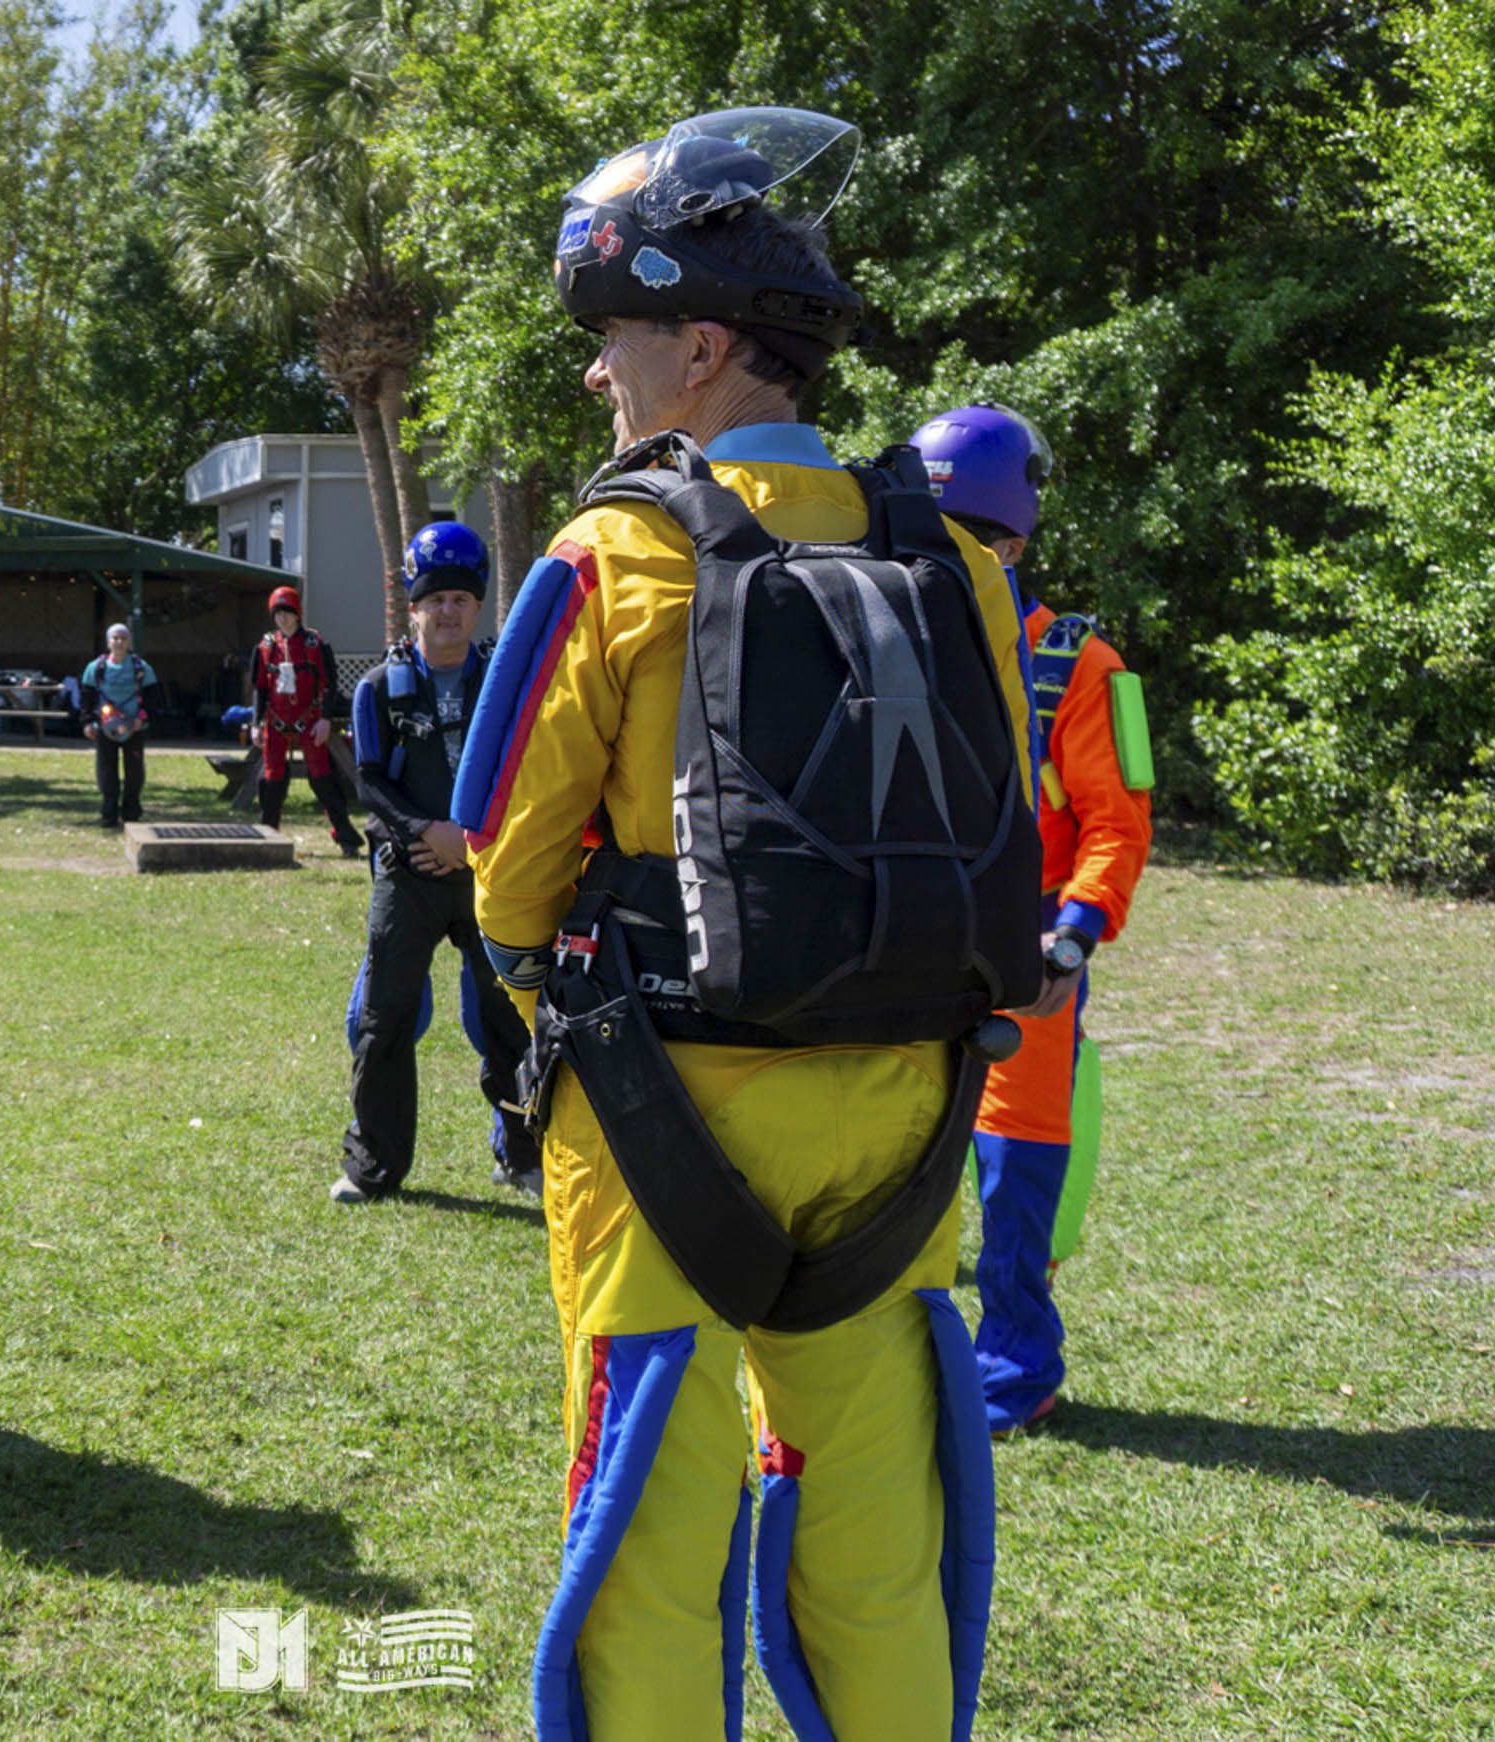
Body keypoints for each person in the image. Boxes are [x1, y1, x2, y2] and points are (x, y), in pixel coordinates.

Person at [451, 109, 1042, 1741]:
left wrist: (542, 987)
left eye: (616, 341)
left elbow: (506, 862)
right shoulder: (957, 564)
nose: (598, 377)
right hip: (910, 1115)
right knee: (877, 1525)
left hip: (659, 1115)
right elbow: (1007, 824)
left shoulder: (612, 551)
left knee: (649, 1515)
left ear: (702, 345)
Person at [911, 403, 1154, 1438]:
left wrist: (1074, 933)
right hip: (908, 945)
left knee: (1014, 1169)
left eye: (962, 537)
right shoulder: (895, 644)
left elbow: (1117, 822)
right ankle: (901, 1355)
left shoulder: (1084, 668)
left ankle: (1014, 1366)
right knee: (899, 1159)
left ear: (1009, 541)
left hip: (1027, 960)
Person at [331, 523, 541, 1204]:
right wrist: (426, 832)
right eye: (435, 600)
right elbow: (369, 779)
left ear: (477, 607)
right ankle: (374, 1167)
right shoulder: (380, 690)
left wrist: (471, 840)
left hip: (490, 872)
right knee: (384, 1020)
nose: (447, 611)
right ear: (413, 607)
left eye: (459, 599)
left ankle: (522, 1155)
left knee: (507, 1019)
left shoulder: (503, 684)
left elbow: (529, 770)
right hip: (409, 870)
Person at [250, 585, 363, 856]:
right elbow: (259, 688)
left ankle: (345, 837)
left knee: (322, 777)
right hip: (275, 722)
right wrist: (255, 722)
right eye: (278, 613)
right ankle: (269, 834)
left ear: (297, 614)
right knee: (272, 778)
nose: (283, 619)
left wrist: (325, 719)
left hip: (310, 721)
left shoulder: (315, 644)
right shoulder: (266, 647)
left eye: (287, 613)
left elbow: (330, 684)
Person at [78, 623, 159, 829]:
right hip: (105, 727)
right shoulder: (95, 668)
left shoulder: (142, 668)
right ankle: (109, 813)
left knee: (134, 771)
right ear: (108, 642)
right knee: (107, 770)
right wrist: (87, 722)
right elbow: (87, 698)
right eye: (115, 638)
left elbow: (152, 697)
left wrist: (143, 717)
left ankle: (132, 812)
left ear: (129, 642)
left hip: (134, 727)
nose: (119, 642)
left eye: (123, 638)